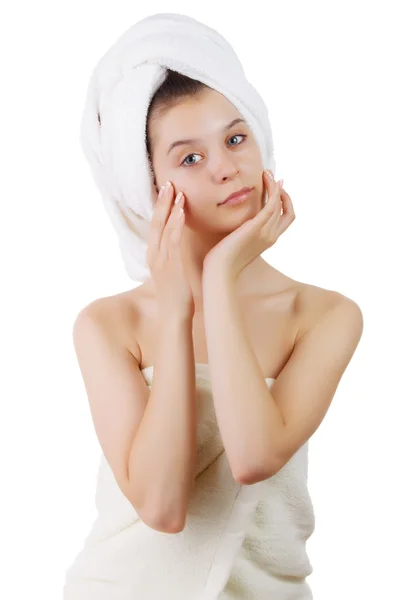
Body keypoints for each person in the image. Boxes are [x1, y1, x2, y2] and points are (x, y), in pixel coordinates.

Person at [63, 67, 363, 599]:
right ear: (151, 187)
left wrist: (221, 279)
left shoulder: (323, 315)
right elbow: (161, 507)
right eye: (191, 157)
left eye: (236, 138)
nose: (228, 167)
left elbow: (253, 455)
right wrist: (176, 314)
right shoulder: (109, 324)